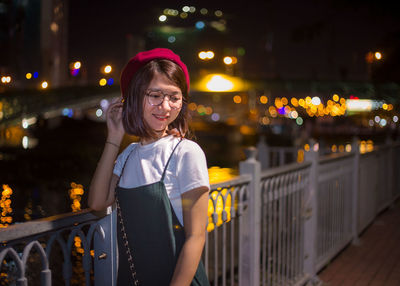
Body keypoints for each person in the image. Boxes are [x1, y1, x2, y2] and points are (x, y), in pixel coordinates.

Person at [88, 48, 210, 286]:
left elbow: (196, 236)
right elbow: (97, 202)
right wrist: (114, 137)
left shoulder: (186, 152)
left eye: (174, 98)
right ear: (134, 97)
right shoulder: (127, 156)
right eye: (155, 95)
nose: (165, 107)